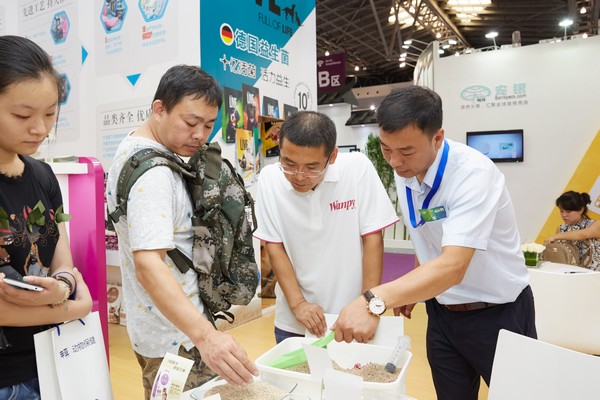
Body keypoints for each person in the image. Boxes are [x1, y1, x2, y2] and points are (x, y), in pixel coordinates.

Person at [333, 86, 537, 400]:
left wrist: (372, 300)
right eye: (386, 148)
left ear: (437, 138)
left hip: (498, 314)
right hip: (442, 314)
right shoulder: (406, 169)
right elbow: (428, 230)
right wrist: (417, 286)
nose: (394, 161)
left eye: (406, 151)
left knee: (519, 395)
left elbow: (453, 266)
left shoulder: (473, 175)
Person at [106, 64, 258, 399]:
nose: (200, 135)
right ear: (159, 109)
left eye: (208, 125)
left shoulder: (132, 150)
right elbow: (149, 265)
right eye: (190, 123)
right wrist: (206, 337)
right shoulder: (154, 176)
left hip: (162, 330)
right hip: (178, 339)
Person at [254, 111, 399, 343]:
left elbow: (372, 238)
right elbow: (274, 245)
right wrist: (298, 304)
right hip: (293, 320)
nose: (299, 176)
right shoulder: (269, 178)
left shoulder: (356, 168)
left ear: (332, 156)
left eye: (312, 167)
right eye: (289, 163)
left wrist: (367, 304)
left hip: (353, 317)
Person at [0, 35, 93, 399]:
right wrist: (74, 306)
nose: (40, 128)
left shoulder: (42, 175)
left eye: (51, 113)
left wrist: (64, 286)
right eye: (23, 115)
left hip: (54, 360)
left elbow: (64, 262)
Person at [545, 190, 600, 270]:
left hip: (593, 273)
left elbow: (584, 234)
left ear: (581, 210)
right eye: (561, 211)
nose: (564, 215)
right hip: (568, 272)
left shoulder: (595, 224)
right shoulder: (561, 228)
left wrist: (556, 236)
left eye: (568, 211)